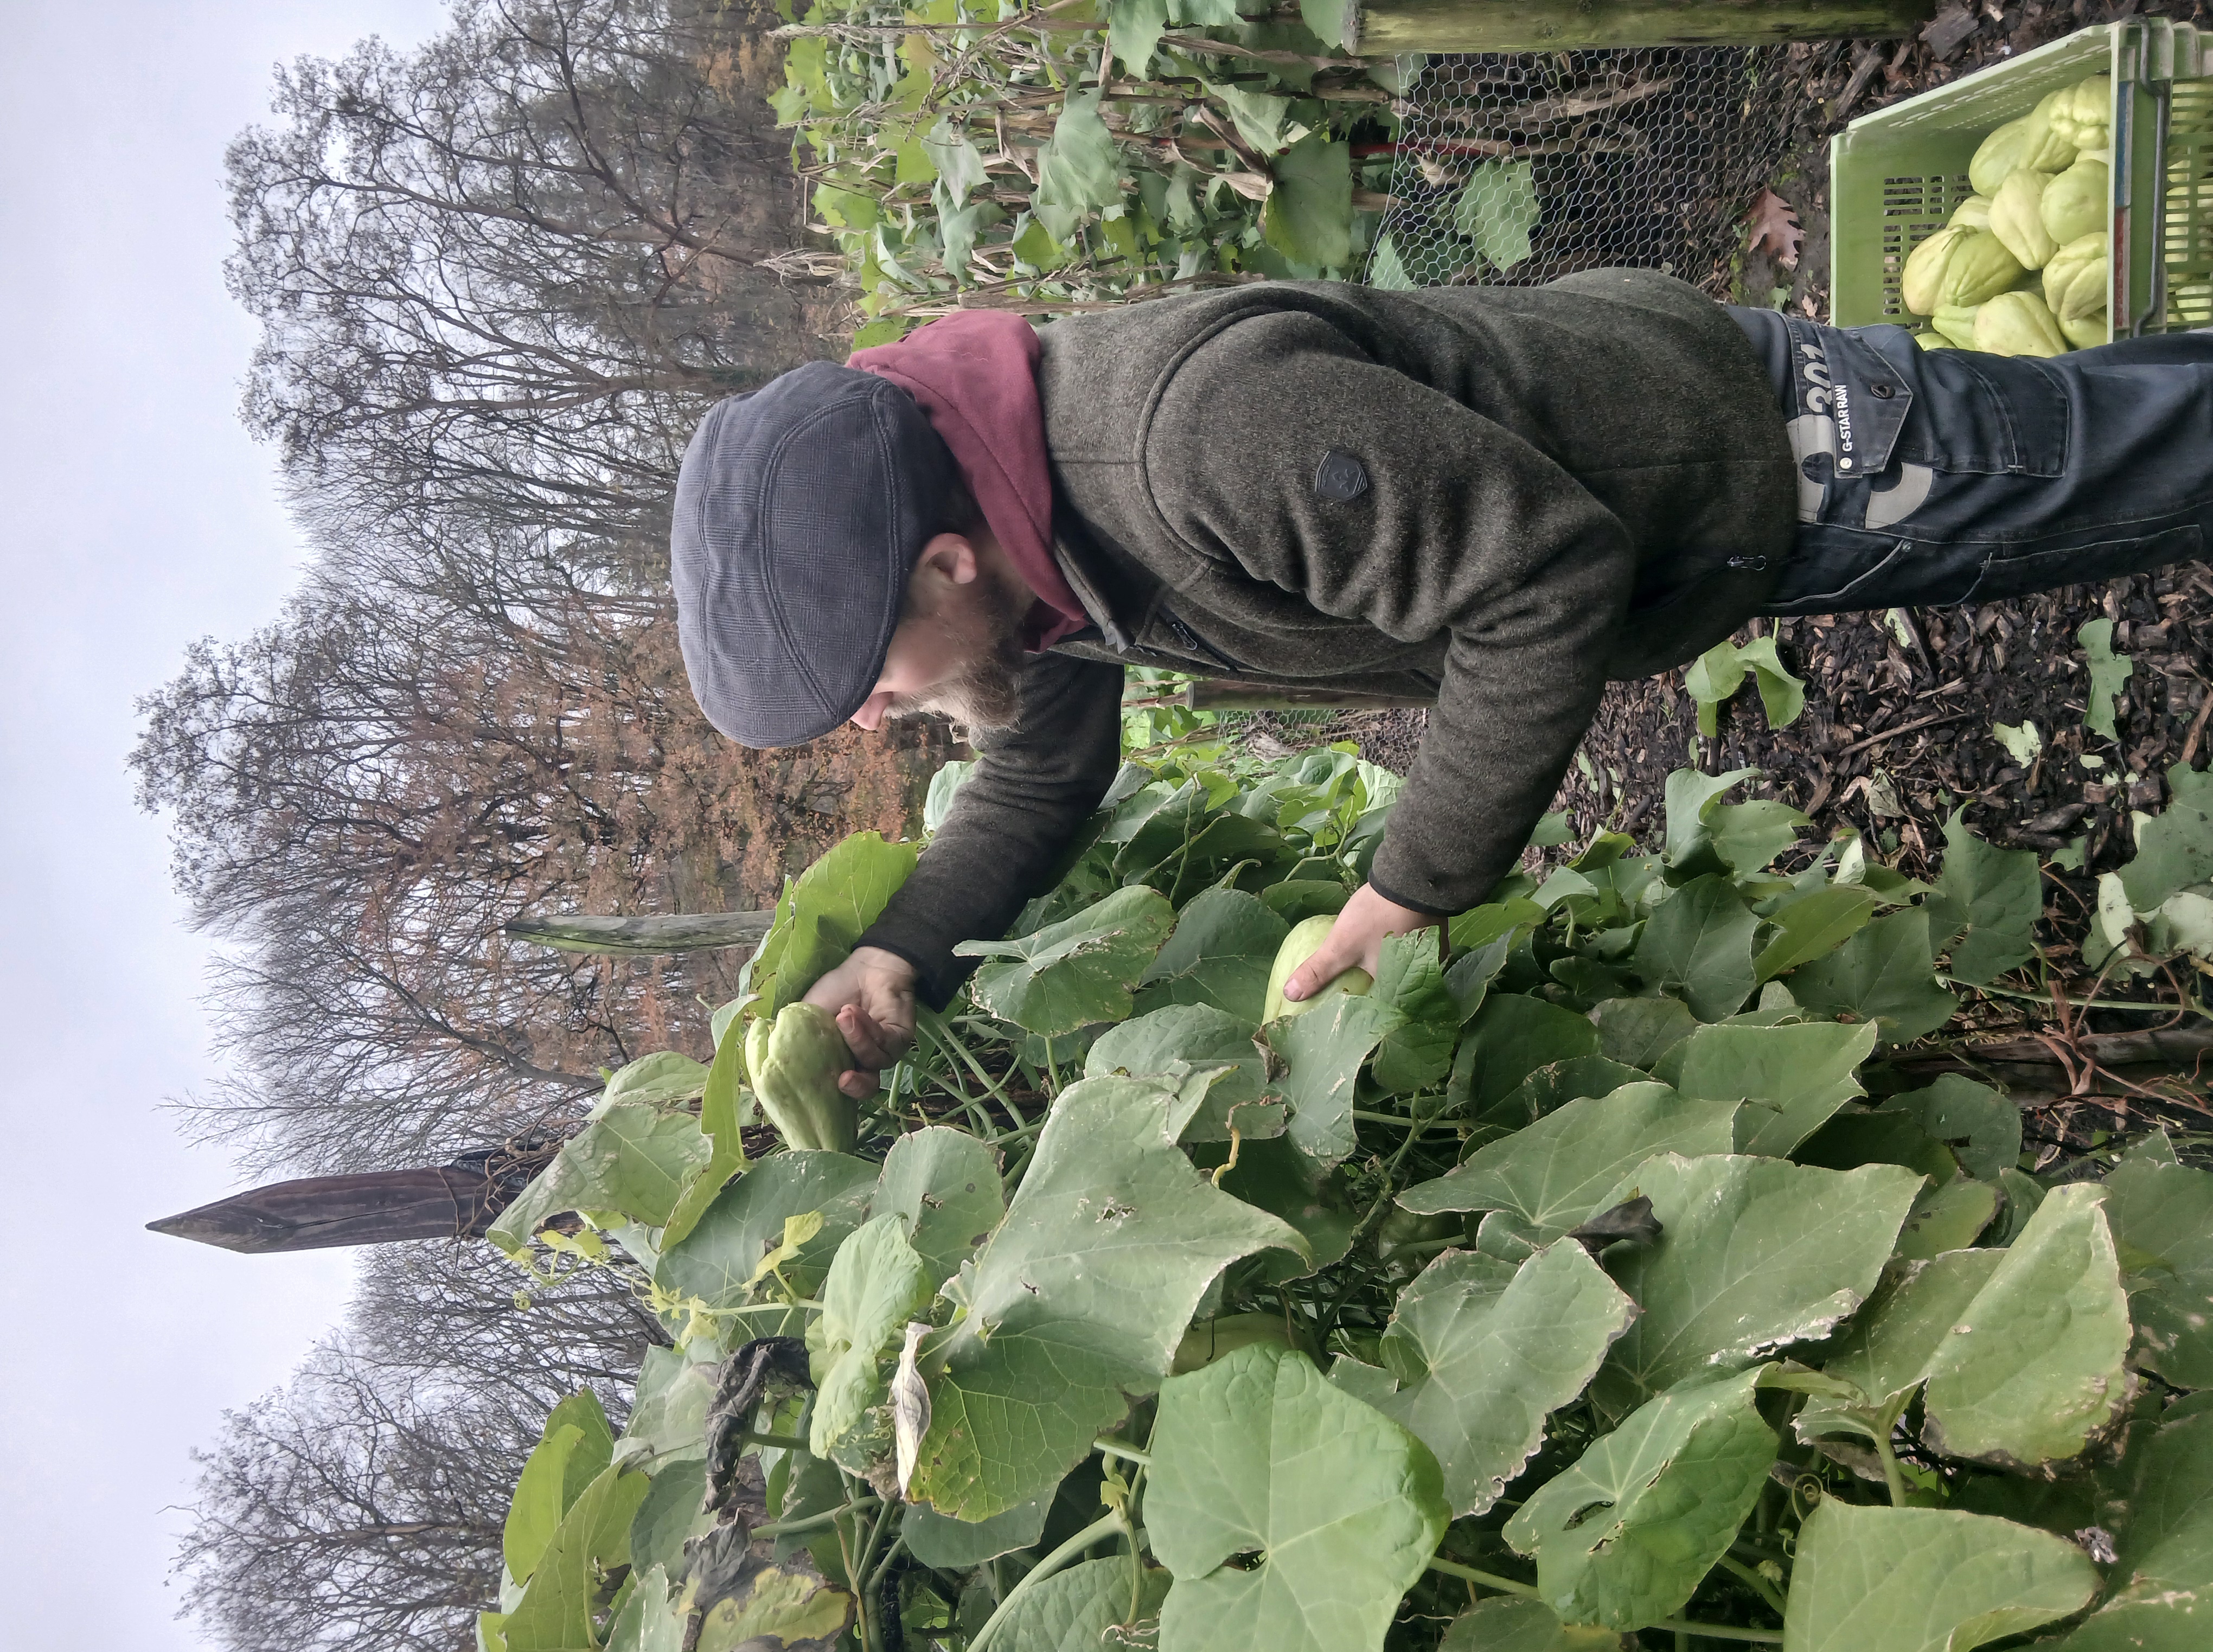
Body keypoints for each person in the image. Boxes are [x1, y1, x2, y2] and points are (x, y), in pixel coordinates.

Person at [668, 271, 2213, 1097]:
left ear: (945, 563)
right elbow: (1038, 766)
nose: (874, 718)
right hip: (1725, 498)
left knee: (2136, 469)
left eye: (864, 678)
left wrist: (1408, 889)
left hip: (1792, 462)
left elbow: (1544, 582)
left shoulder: (1190, 445)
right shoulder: (1024, 540)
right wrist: (906, 949)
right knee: (2120, 434)